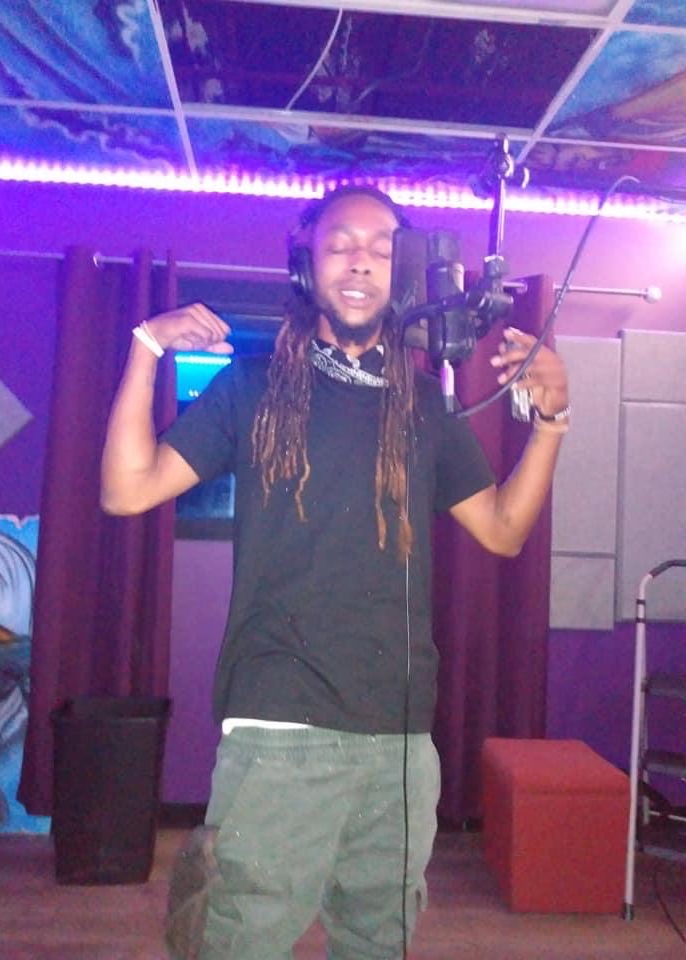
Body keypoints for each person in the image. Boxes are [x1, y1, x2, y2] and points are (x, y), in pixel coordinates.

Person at [100, 185, 570, 960]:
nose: (360, 263)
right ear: (306, 264)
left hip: (401, 740)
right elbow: (127, 490)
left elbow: (503, 531)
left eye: (382, 249)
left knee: (377, 944)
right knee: (241, 944)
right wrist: (146, 346)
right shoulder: (251, 388)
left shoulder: (425, 409)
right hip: (282, 728)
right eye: (341, 244)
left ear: (405, 273)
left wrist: (552, 420)